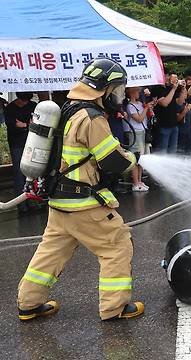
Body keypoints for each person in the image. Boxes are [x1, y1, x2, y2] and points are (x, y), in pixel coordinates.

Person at [17, 57, 143, 321]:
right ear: (104, 89)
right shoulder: (92, 117)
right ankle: (114, 307)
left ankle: (28, 303)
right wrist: (133, 158)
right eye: (116, 90)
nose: (117, 96)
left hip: (59, 202)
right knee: (117, 245)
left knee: (50, 252)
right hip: (84, 203)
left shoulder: (67, 108)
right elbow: (112, 161)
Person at [4, 92, 37, 213]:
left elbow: (35, 123)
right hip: (17, 144)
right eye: (24, 101)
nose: (25, 103)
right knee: (19, 174)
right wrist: (28, 125)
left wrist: (24, 125)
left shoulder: (32, 105)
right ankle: (22, 205)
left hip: (31, 143)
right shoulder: (10, 108)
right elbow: (13, 125)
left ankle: (32, 202)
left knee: (32, 173)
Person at [124, 87, 152, 192]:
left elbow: (146, 117)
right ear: (131, 93)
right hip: (135, 133)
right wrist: (145, 109)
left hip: (143, 132)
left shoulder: (140, 104)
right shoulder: (130, 106)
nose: (138, 93)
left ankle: (140, 181)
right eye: (137, 91)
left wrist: (148, 108)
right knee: (136, 158)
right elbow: (139, 119)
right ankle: (135, 183)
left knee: (142, 159)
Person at [152, 73, 184, 153]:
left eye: (168, 76)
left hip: (174, 124)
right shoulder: (156, 89)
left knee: (173, 150)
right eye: (165, 75)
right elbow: (165, 103)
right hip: (163, 125)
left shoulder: (170, 87)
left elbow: (180, 102)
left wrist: (183, 89)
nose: (167, 78)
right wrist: (173, 89)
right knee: (162, 151)